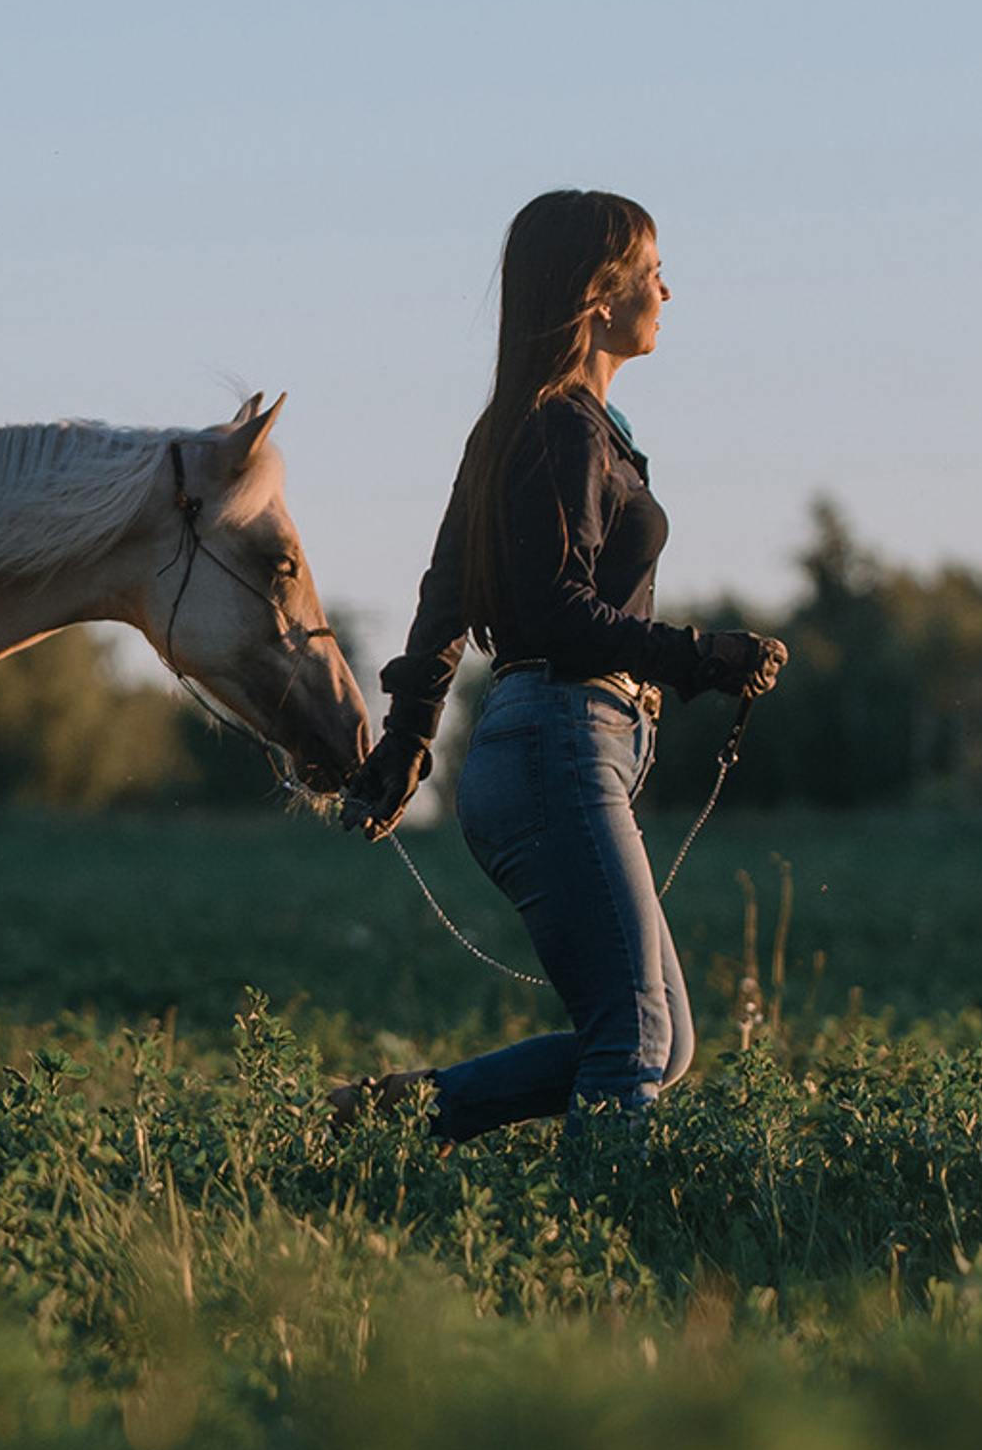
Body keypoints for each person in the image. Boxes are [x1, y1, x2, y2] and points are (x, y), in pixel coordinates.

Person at [335, 189, 785, 1144]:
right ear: (597, 294)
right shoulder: (561, 426)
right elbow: (555, 612)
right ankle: (603, 1257)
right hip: (559, 743)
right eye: (651, 271)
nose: (668, 289)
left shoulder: (533, 424)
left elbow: (443, 595)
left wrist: (413, 739)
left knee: (660, 1046)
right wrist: (708, 656)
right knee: (633, 1037)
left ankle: (389, 1119)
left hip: (555, 747)